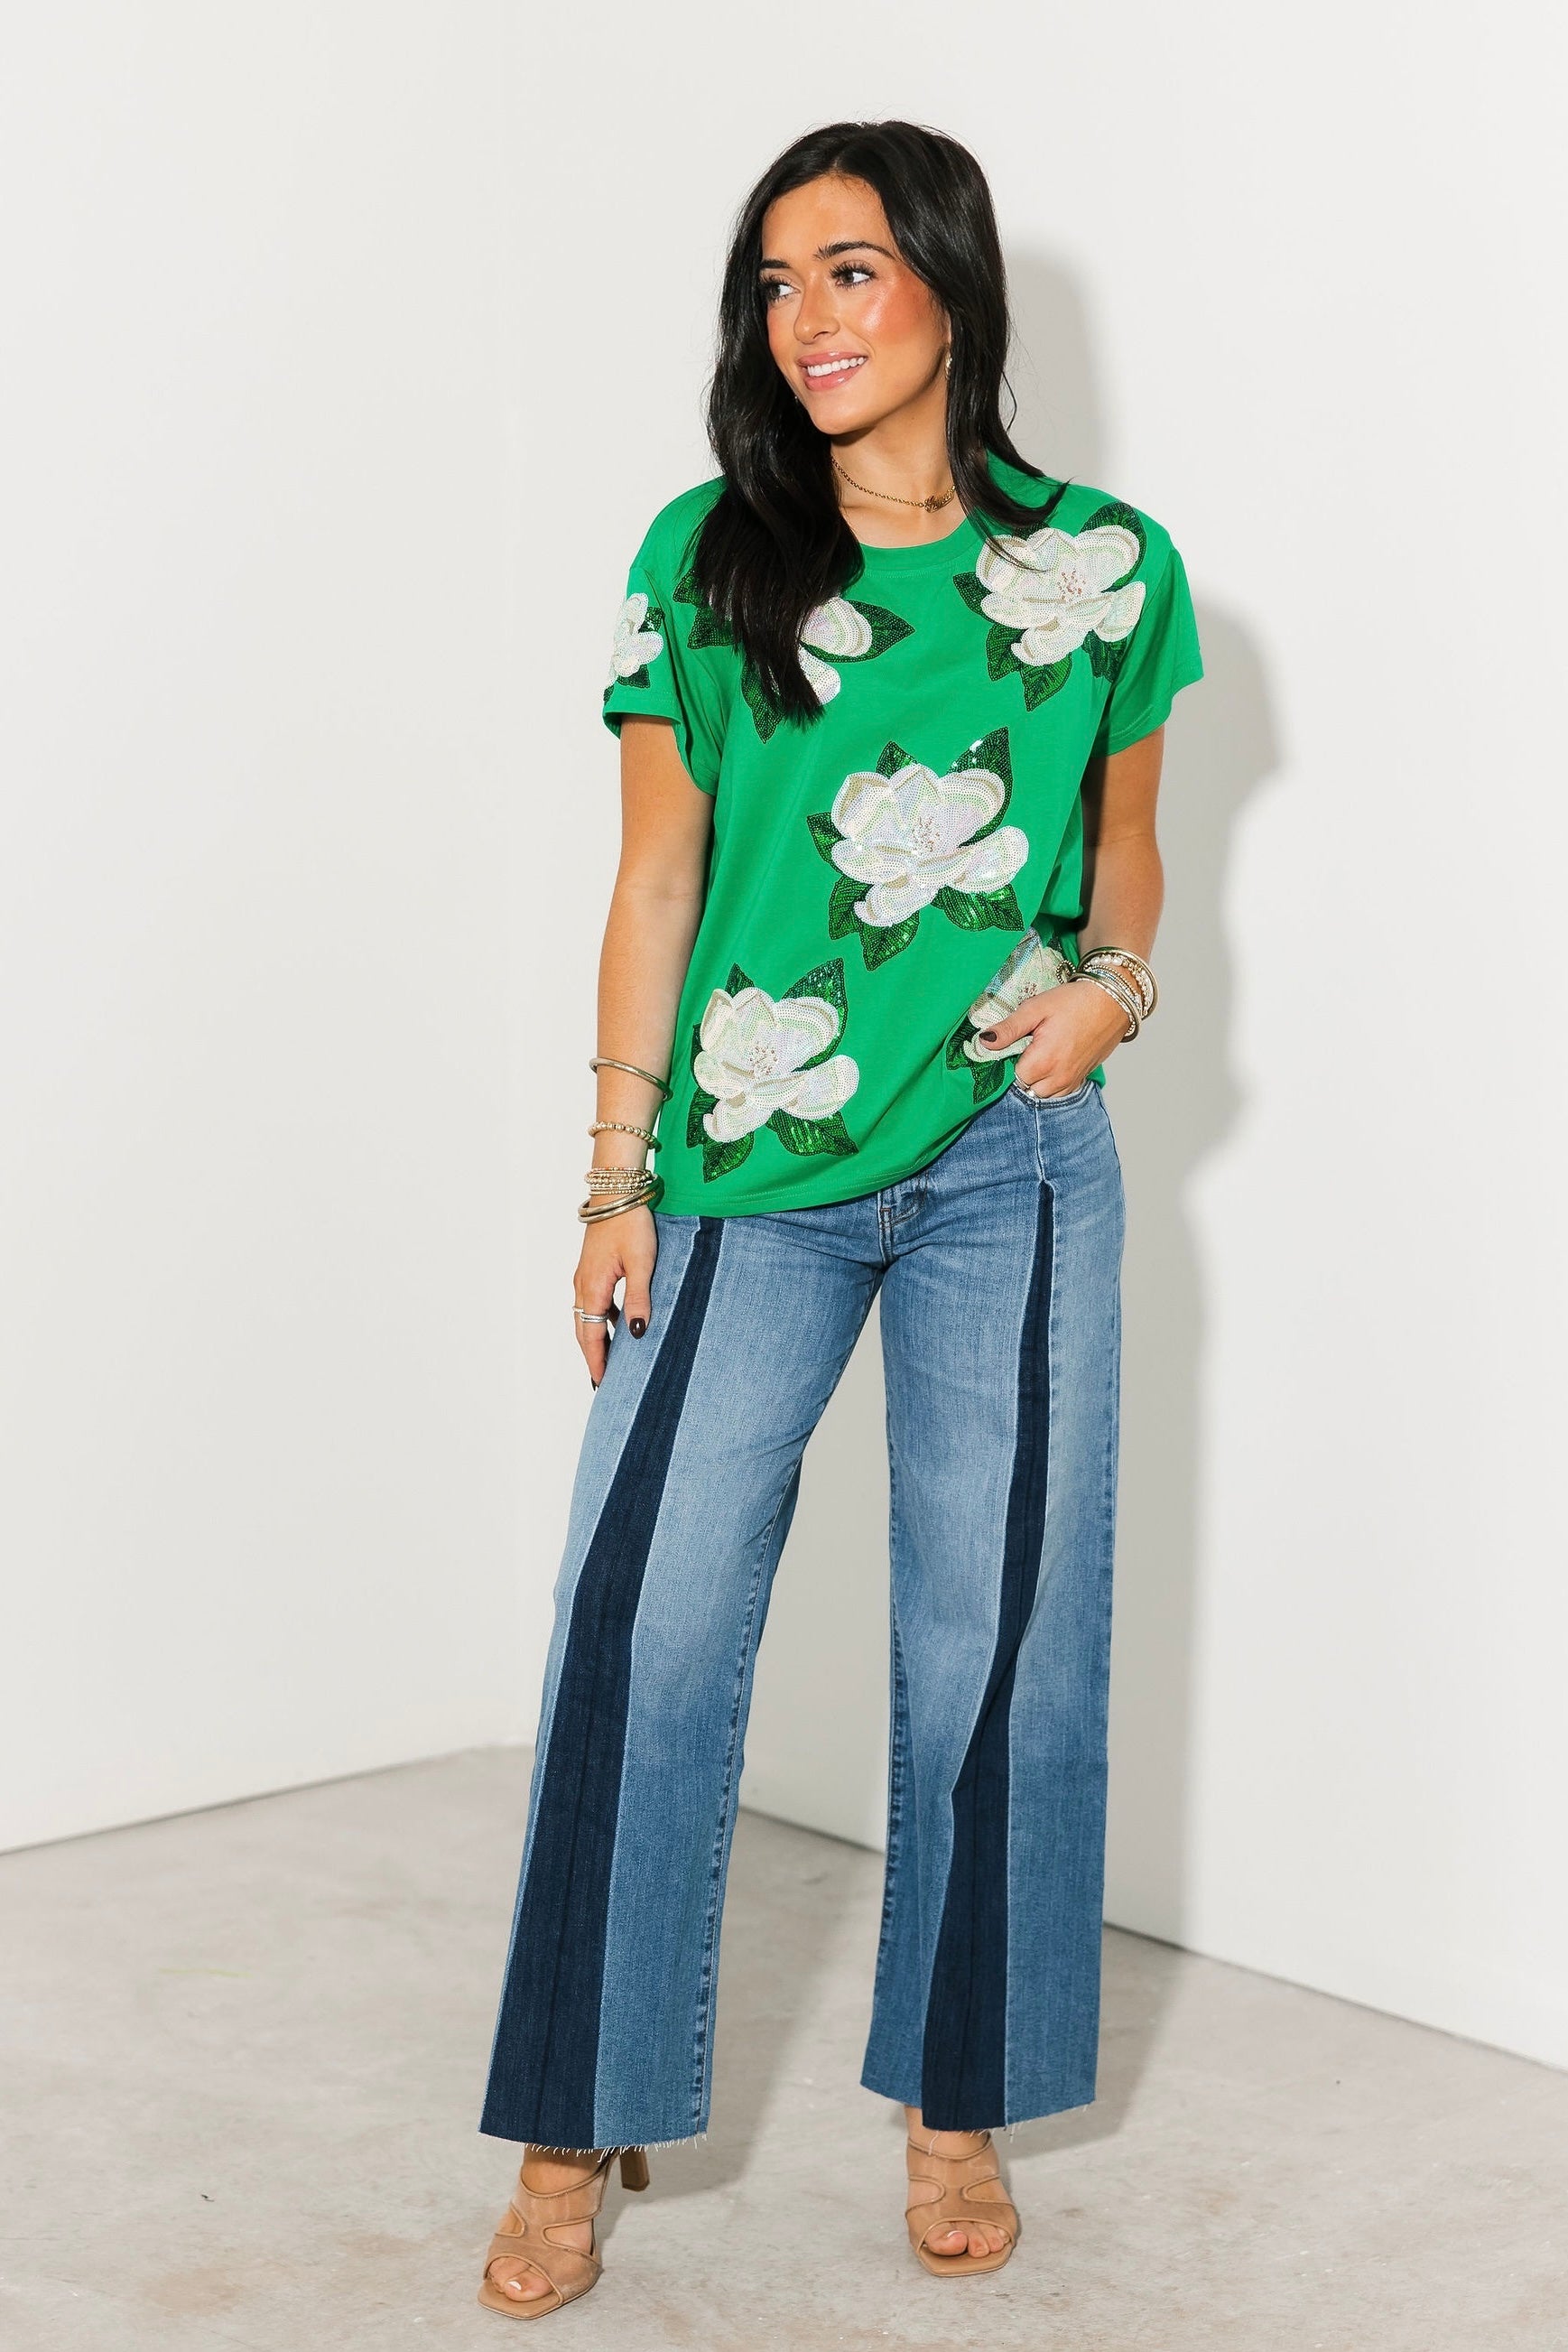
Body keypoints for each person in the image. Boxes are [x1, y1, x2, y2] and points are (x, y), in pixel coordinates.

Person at [475, 117, 1202, 2319]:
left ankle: (954, 2101)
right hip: (744, 1174)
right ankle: (573, 2119)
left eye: (853, 270)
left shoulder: (1103, 567)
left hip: (1010, 1163)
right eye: (777, 282)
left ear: (951, 290)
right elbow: (656, 881)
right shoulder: (710, 556)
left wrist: (1111, 988)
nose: (807, 318)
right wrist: (612, 1175)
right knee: (645, 1625)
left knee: (1001, 1642)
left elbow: (1126, 841)